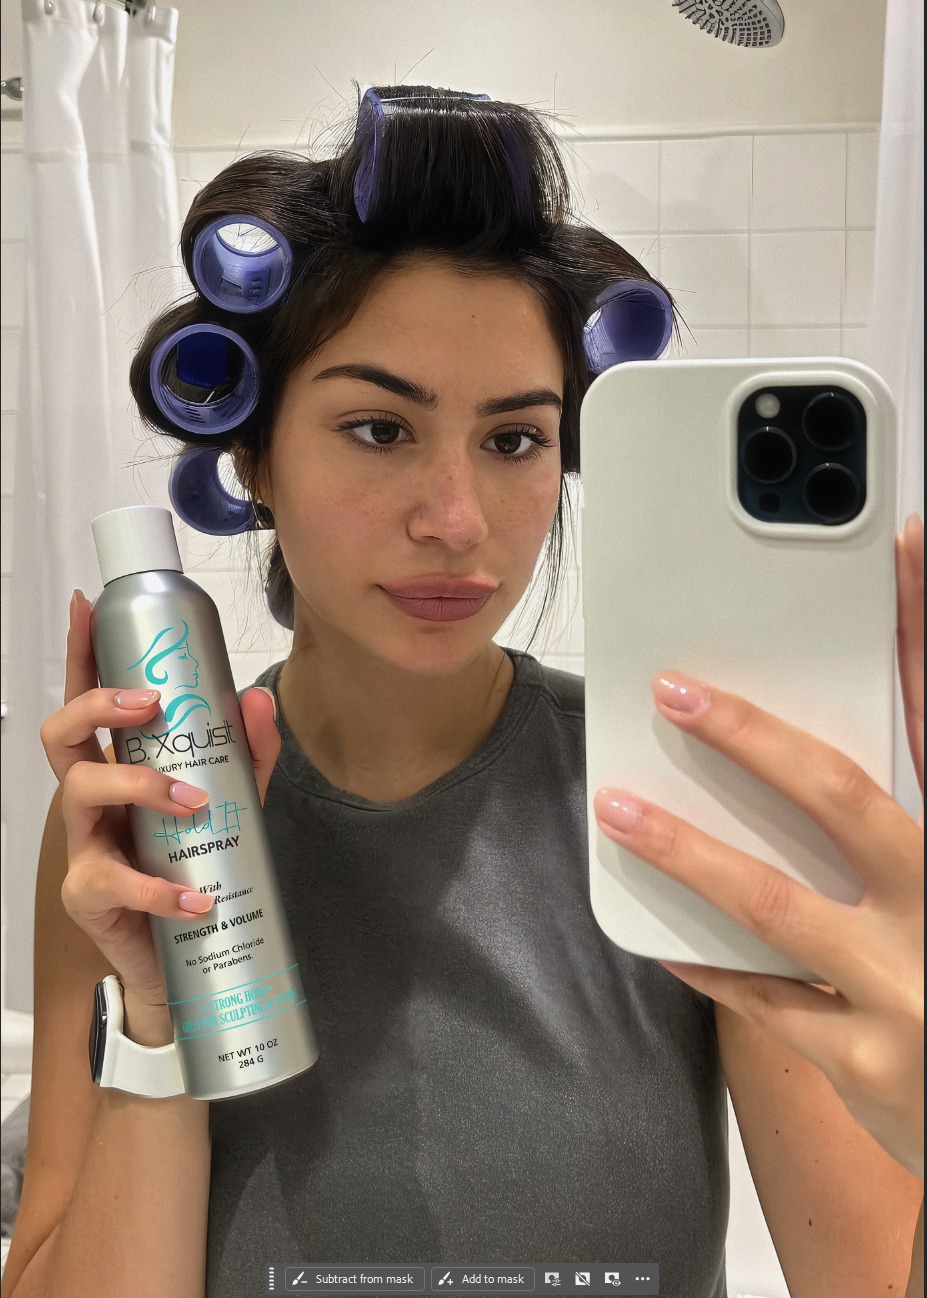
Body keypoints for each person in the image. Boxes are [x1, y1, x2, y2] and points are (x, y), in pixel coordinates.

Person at [4, 86, 923, 1298]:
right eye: (380, 428)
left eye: (514, 439)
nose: (456, 520)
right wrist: (157, 1009)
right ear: (253, 455)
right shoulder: (145, 827)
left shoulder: (682, 806)